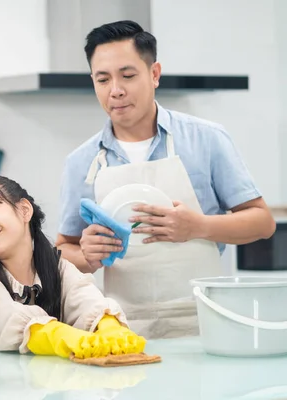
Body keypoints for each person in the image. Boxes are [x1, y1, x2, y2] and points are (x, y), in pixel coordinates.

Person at [56, 20, 276, 339]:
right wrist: (87, 256)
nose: (115, 90)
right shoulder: (81, 162)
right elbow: (64, 251)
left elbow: (262, 222)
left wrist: (196, 227)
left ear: (154, 74)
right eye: (102, 79)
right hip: (121, 328)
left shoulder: (206, 139)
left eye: (128, 75)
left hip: (206, 321)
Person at [0, 175, 145, 360]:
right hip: (2, 385)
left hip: (51, 382)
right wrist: (59, 336)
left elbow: (84, 296)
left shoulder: (55, 265)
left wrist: (108, 325)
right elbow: (7, 319)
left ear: (24, 210)